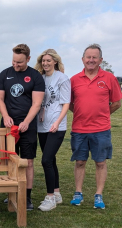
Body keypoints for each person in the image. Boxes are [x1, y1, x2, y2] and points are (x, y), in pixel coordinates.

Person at [69, 43, 121, 209]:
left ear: (100, 60)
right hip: (79, 129)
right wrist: (79, 112)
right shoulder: (74, 80)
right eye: (88, 57)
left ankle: (98, 195)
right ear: (83, 59)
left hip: (101, 130)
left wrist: (103, 115)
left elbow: (117, 102)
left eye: (94, 57)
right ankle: (78, 193)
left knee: (100, 163)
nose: (91, 60)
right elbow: (69, 103)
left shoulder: (109, 78)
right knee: (80, 162)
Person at [0, 44, 45, 210]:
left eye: (20, 62)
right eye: (14, 61)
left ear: (28, 59)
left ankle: (27, 196)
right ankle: (12, 192)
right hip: (9, 126)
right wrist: (6, 116)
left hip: (27, 126)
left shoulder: (36, 77)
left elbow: (37, 103)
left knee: (28, 161)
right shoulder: (4, 74)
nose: (16, 65)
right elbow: (0, 99)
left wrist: (26, 121)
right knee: (10, 160)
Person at [33, 49, 70, 211]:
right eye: (43, 61)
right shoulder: (40, 78)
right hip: (42, 126)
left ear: (55, 61)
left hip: (57, 127)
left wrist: (57, 122)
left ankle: (50, 198)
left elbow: (66, 104)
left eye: (48, 60)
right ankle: (56, 193)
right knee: (51, 159)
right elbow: (41, 101)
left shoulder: (62, 78)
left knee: (46, 160)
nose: (45, 63)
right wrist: (41, 111)